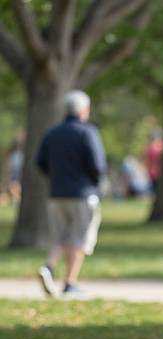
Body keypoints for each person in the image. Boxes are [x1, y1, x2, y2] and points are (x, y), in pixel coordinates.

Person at [37, 90, 107, 298]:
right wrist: (94, 183)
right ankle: (70, 282)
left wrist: (55, 177)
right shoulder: (87, 132)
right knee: (80, 238)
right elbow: (97, 164)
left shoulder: (52, 133)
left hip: (56, 193)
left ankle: (49, 267)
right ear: (84, 111)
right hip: (82, 194)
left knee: (61, 236)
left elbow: (40, 161)